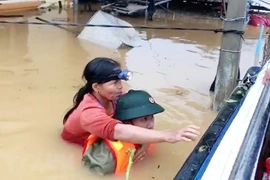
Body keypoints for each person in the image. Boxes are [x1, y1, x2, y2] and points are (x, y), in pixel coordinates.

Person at [61, 57, 200, 162]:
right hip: (75, 143)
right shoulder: (89, 113)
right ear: (97, 87)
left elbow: (143, 112)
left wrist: (146, 141)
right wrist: (169, 135)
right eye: (114, 83)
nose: (120, 86)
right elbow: (118, 130)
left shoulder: (116, 95)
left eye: (120, 81)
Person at [81, 90, 165, 175]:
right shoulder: (105, 159)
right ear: (128, 123)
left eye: (151, 117)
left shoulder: (147, 133)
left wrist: (146, 143)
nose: (151, 124)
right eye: (144, 119)